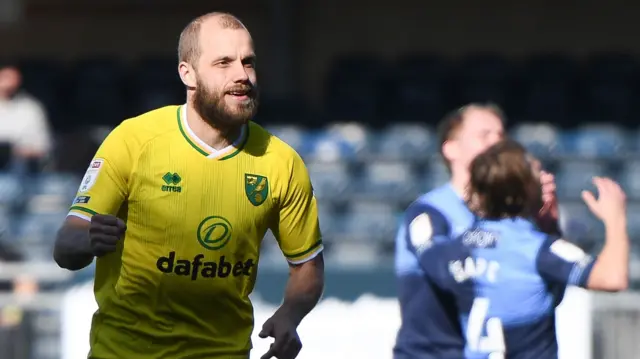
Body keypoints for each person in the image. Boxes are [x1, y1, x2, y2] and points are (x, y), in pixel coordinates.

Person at [53, 12, 324, 359]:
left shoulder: (282, 162)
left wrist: (290, 314)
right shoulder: (133, 141)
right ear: (188, 74)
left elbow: (308, 267)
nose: (242, 75)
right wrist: (88, 238)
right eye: (224, 63)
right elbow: (65, 246)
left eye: (248, 62)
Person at [409, 139, 628, 358]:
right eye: (537, 171)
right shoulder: (536, 250)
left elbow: (425, 245)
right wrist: (615, 219)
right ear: (523, 189)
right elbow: (612, 278)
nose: (546, 178)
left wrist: (548, 228)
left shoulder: (460, 247)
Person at [393, 103, 560, 359]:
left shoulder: (515, 220)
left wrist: (547, 226)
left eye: (501, 135)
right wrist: (515, 263)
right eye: (484, 135)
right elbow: (447, 274)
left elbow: (548, 296)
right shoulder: (429, 213)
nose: (496, 142)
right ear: (451, 148)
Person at [0, 65, 52, 162]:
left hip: (19, 168)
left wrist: (15, 152)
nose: (9, 84)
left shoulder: (31, 108)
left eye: (13, 79)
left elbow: (43, 147)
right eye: (4, 78)